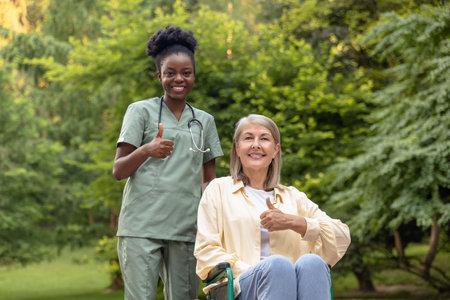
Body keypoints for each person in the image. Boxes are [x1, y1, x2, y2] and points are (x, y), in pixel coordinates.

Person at [113, 25, 223, 300]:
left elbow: (208, 180)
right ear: (159, 75)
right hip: (141, 228)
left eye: (186, 73)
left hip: (186, 228)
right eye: (170, 73)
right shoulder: (140, 112)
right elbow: (118, 170)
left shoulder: (205, 121)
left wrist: (217, 219)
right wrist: (146, 150)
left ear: (194, 75)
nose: (179, 79)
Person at [194, 114, 351, 300]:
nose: (256, 145)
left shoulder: (294, 197)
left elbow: (342, 237)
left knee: (313, 263)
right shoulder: (218, 190)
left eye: (264, 138)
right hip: (240, 287)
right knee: (277, 266)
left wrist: (295, 222)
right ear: (237, 148)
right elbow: (206, 251)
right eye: (248, 138)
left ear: (276, 149)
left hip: (291, 287)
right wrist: (262, 272)